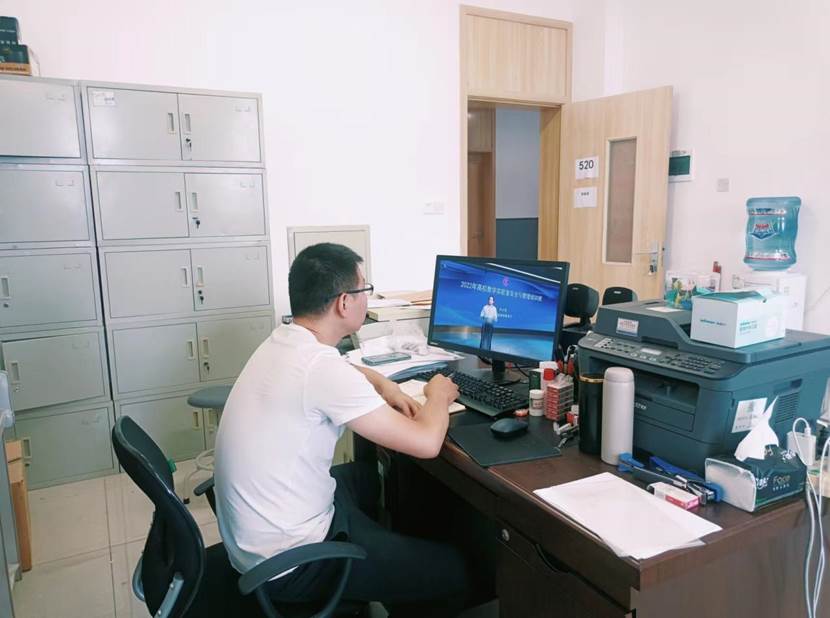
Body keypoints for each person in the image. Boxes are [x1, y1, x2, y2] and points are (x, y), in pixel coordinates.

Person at [213, 243, 470, 617]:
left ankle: (388, 557)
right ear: (344, 303)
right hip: (292, 565)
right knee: (454, 570)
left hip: (260, 539)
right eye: (365, 289)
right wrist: (438, 394)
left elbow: (339, 369)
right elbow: (427, 442)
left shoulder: (286, 341)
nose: (368, 297)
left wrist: (384, 384)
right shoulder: (320, 369)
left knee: (367, 479)